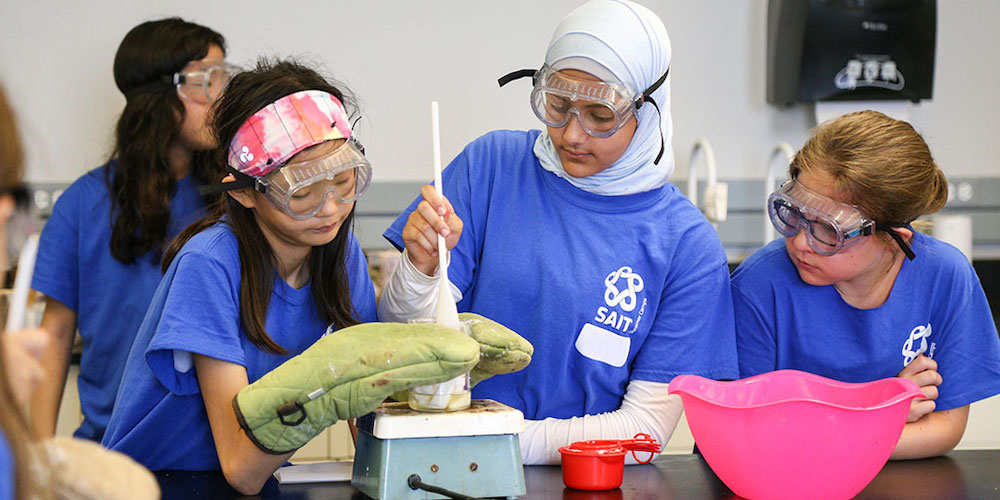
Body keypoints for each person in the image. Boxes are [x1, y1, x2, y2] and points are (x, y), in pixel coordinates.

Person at [379, 0, 738, 464]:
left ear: (647, 109)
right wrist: (418, 273)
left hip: (586, 482)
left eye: (600, 116)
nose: (572, 134)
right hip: (442, 467)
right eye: (558, 105)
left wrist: (487, 439)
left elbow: (644, 431)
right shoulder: (492, 166)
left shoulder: (686, 245)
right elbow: (409, 341)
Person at [102, 59, 378, 495]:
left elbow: (369, 439)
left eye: (343, 181)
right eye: (301, 192)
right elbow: (241, 468)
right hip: (154, 485)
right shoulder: (210, 265)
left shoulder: (342, 258)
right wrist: (332, 391)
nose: (329, 208)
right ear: (245, 191)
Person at [732, 110, 1000, 460]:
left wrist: (820, 432)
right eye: (793, 214)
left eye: (829, 230)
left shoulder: (945, 276)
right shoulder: (760, 286)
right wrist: (881, 411)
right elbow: (750, 437)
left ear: (896, 237)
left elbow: (944, 428)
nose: (799, 242)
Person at [30, 18, 234, 442]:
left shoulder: (235, 198)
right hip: (112, 448)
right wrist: (35, 459)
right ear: (157, 94)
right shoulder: (81, 205)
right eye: (205, 80)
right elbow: (54, 336)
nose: (220, 97)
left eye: (223, 78)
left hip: (220, 452)